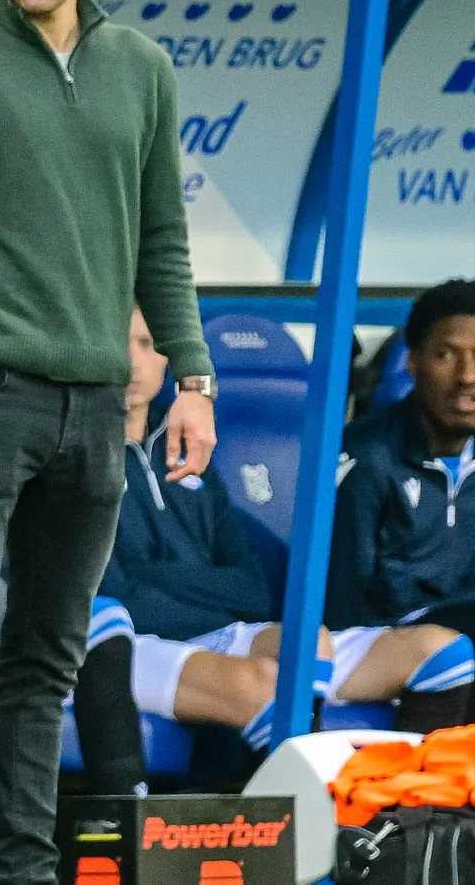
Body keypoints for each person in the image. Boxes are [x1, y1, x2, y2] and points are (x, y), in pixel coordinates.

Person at [0, 0, 217, 879]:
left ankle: (25, 868)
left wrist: (191, 377)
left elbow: (163, 237)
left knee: (48, 655)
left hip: (99, 404)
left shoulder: (143, 67)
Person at [69, 310, 472, 797]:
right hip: (123, 649)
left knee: (440, 653)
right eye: (114, 341)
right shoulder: (69, 453)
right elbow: (112, 594)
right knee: (267, 686)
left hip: (219, 634)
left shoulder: (187, 445)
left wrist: (165, 578)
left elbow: (252, 587)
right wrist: (202, 584)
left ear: (169, 358)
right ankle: (305, 824)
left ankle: (417, 817)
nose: (131, 361)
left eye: (146, 343)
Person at [328, 280, 475, 633]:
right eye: (446, 355)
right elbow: (341, 610)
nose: (467, 376)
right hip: (389, 649)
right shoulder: (366, 457)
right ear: (413, 361)